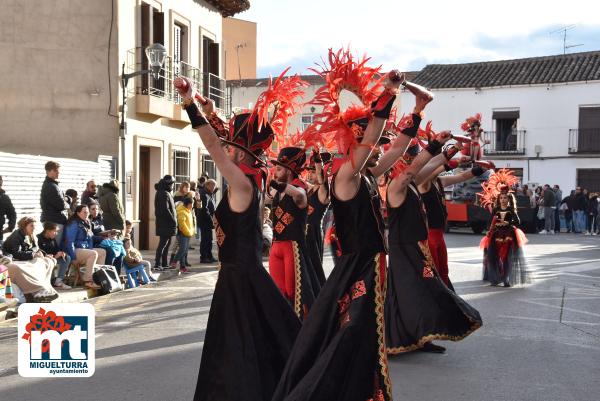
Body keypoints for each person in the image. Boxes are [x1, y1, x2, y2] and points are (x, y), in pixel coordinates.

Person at [272, 53, 402, 401]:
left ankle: (361, 388)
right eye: (373, 145)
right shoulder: (348, 173)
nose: (379, 149)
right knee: (353, 329)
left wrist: (417, 111)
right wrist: (387, 93)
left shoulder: (368, 175)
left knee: (363, 332)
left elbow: (398, 147)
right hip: (357, 263)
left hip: (368, 261)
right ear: (357, 143)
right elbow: (374, 137)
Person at [175, 71, 302, 401]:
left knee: (234, 347)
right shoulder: (254, 178)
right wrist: (208, 109)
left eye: (233, 149)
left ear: (241, 155)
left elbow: (215, 146)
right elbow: (225, 141)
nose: (227, 153)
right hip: (241, 273)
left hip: (237, 277)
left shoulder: (243, 183)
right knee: (252, 342)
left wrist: (189, 103)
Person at [382, 93, 481, 355]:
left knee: (421, 290)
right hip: (404, 249)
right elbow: (418, 166)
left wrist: (449, 148)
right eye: (408, 159)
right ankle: (412, 338)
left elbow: (433, 166)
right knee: (412, 293)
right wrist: (435, 145)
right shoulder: (397, 186)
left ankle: (422, 337)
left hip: (416, 246)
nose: (410, 163)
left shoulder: (412, 184)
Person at [418, 155, 494, 290]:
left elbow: (463, 177)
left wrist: (481, 169)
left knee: (443, 271)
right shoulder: (423, 184)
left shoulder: (439, 181)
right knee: (433, 272)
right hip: (429, 236)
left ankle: (446, 299)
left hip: (439, 235)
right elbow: (434, 172)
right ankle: (432, 298)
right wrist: (451, 163)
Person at [268, 146, 319, 318]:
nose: (276, 170)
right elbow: (262, 197)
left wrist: (280, 185)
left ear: (290, 170)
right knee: (277, 292)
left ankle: (300, 330)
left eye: (279, 168)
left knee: (295, 292)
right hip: (275, 247)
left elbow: (299, 195)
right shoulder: (276, 191)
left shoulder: (300, 190)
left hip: (293, 248)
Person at [480, 171, 530, 286]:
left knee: (507, 257)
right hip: (496, 235)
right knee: (494, 257)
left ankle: (506, 278)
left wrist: (509, 223)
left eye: (505, 198)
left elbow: (517, 222)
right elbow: (490, 222)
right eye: (501, 198)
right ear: (499, 199)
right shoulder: (496, 210)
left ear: (508, 199)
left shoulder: (511, 210)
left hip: (509, 235)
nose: (503, 200)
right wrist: (490, 229)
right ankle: (495, 278)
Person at [2, 216, 58, 302]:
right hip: (15, 260)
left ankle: (45, 289)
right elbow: (16, 253)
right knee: (23, 267)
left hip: (26, 259)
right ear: (24, 226)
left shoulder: (31, 236)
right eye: (31, 225)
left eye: (34, 226)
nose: (34, 228)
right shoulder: (16, 236)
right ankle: (37, 291)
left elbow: (36, 249)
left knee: (47, 261)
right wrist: (33, 255)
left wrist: (45, 255)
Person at [304, 151, 331, 285]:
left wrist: (319, 165)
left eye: (313, 171)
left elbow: (322, 181)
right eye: (310, 171)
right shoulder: (309, 189)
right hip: (302, 234)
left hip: (313, 234)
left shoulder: (324, 191)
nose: (310, 174)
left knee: (313, 271)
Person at [64, 205, 107, 289]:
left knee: (102, 252)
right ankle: (88, 281)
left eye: (87, 212)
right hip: (75, 250)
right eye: (84, 212)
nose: (87, 214)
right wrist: (73, 258)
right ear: (78, 213)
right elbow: (69, 242)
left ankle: (98, 278)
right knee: (93, 254)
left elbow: (91, 237)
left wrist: (104, 238)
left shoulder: (86, 222)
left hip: (86, 249)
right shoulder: (74, 223)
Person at [89, 202, 125, 274]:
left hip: (104, 241)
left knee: (120, 251)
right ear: (89, 210)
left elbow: (102, 231)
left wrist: (110, 234)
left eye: (96, 209)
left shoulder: (100, 219)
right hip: (94, 244)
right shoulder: (88, 221)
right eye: (93, 209)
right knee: (111, 252)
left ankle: (116, 275)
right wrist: (103, 238)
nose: (95, 211)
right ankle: (108, 274)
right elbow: (90, 237)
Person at [40, 161, 69, 246]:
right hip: (54, 222)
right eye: (56, 171)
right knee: (55, 248)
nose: (58, 173)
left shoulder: (53, 185)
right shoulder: (50, 186)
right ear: (50, 171)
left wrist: (66, 199)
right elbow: (61, 205)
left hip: (54, 220)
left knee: (56, 247)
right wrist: (68, 201)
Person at [37, 221, 72, 289]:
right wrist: (55, 256)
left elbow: (57, 250)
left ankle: (58, 281)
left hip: (53, 258)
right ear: (47, 231)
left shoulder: (52, 239)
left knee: (67, 258)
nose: (56, 233)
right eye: (55, 231)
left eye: (57, 231)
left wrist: (61, 253)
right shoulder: (38, 238)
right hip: (43, 260)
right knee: (48, 260)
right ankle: (48, 281)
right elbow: (40, 255)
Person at [154, 175, 177, 270]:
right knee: (163, 244)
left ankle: (164, 263)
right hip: (165, 223)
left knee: (167, 244)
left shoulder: (165, 193)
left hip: (166, 223)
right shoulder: (163, 193)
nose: (172, 186)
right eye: (172, 184)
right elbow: (165, 209)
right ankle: (158, 264)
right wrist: (173, 220)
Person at [198, 179, 218, 263]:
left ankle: (209, 256)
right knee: (205, 240)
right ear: (208, 185)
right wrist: (211, 219)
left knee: (209, 239)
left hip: (209, 221)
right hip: (204, 221)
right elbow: (204, 209)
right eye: (213, 186)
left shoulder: (210, 194)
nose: (214, 187)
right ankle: (204, 257)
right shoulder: (203, 194)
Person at [175, 197, 195, 274]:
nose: (193, 205)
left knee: (185, 250)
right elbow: (182, 224)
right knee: (182, 249)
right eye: (192, 204)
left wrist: (190, 231)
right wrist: (187, 232)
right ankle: (174, 261)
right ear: (189, 204)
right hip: (182, 233)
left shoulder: (188, 210)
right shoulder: (181, 211)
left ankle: (182, 267)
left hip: (188, 232)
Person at [0, 175, 17, 244]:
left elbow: (12, 215)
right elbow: (12, 215)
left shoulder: (4, 198)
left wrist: (10, 228)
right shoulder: (4, 197)